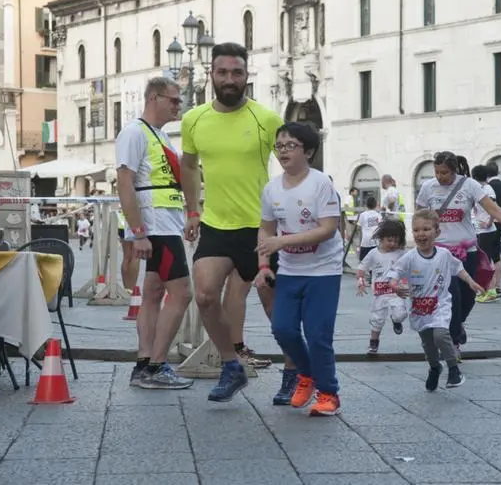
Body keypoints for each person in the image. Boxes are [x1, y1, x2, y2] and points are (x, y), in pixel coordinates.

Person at [180, 42, 290, 403]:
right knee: (206, 295)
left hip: (260, 228)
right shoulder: (194, 119)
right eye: (223, 72)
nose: (230, 79)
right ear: (211, 74)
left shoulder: (266, 119)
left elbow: (293, 166)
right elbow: (190, 164)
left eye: (237, 72)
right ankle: (232, 365)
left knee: (276, 308)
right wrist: (192, 210)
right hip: (216, 224)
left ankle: (293, 371)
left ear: (247, 76)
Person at [254, 122, 344, 416]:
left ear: (308, 151)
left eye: (290, 145)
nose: (283, 151)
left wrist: (283, 241)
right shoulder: (271, 189)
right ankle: (306, 375)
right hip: (291, 269)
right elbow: (266, 230)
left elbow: (328, 229)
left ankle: (328, 393)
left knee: (318, 333)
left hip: (323, 269)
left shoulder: (321, 184)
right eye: (279, 146)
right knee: (282, 329)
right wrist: (263, 265)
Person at [115, 77, 194, 390]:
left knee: (153, 294)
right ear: (154, 98)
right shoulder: (134, 132)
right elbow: (124, 182)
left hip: (165, 223)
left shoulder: (158, 134)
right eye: (173, 100)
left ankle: (145, 363)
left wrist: (188, 214)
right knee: (182, 293)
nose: (179, 105)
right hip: (157, 226)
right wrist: (138, 233)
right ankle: (157, 365)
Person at [415, 151, 501, 350]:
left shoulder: (469, 185)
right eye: (437, 172)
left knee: (469, 296)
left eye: (445, 172)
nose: (440, 177)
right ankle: (453, 342)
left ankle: (457, 324)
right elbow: (419, 215)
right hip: (440, 254)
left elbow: (491, 208)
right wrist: (419, 240)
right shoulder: (428, 187)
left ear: (454, 170)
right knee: (451, 296)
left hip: (467, 252)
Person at [387, 209, 483, 390]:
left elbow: (458, 268)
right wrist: (394, 285)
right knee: (428, 344)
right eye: (416, 230)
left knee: (441, 334)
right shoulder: (409, 257)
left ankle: (454, 370)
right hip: (420, 308)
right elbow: (395, 273)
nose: (421, 234)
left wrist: (471, 282)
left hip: (440, 304)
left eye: (426, 229)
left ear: (437, 232)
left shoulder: (444, 255)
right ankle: (434, 367)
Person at [357, 219, 407, 355]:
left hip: (396, 292)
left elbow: (412, 266)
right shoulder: (373, 253)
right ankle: (374, 342)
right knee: (377, 319)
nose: (393, 244)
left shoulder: (402, 253)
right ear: (381, 238)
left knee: (400, 314)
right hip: (380, 293)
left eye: (396, 241)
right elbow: (361, 268)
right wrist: (361, 282)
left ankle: (396, 321)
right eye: (390, 240)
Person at [470, 165, 500, 304]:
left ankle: (491, 290)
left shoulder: (488, 189)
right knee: (485, 261)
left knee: (485, 262)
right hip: (479, 230)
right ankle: (488, 289)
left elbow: (494, 208)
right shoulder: (478, 189)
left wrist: (489, 222)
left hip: (487, 231)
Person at [484, 162, 501, 299]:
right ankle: (498, 285)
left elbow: (490, 207)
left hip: (491, 222)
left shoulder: (489, 187)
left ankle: (491, 287)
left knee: (487, 255)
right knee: (496, 255)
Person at [116, 208, 140, 293]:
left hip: (123, 221)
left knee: (126, 256)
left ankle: (126, 288)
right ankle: (132, 288)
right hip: (136, 220)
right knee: (136, 256)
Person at [356, 196, 382, 262]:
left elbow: (358, 227)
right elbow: (381, 227)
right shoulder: (378, 215)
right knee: (375, 262)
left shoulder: (363, 215)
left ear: (366, 205)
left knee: (363, 262)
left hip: (365, 242)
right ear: (376, 205)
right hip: (375, 242)